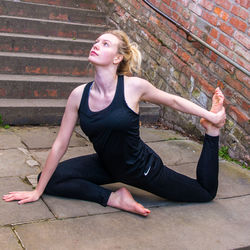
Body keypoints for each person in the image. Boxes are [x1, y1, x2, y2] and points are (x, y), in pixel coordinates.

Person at [3, 30, 226, 217]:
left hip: (142, 169)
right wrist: (37, 192)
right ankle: (114, 198)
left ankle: (212, 132)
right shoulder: (78, 95)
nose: (97, 45)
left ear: (117, 58)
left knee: (204, 192)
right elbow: (60, 144)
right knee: (47, 179)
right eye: (96, 41)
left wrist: (212, 116)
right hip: (106, 165)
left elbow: (174, 100)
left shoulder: (133, 87)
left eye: (105, 43)